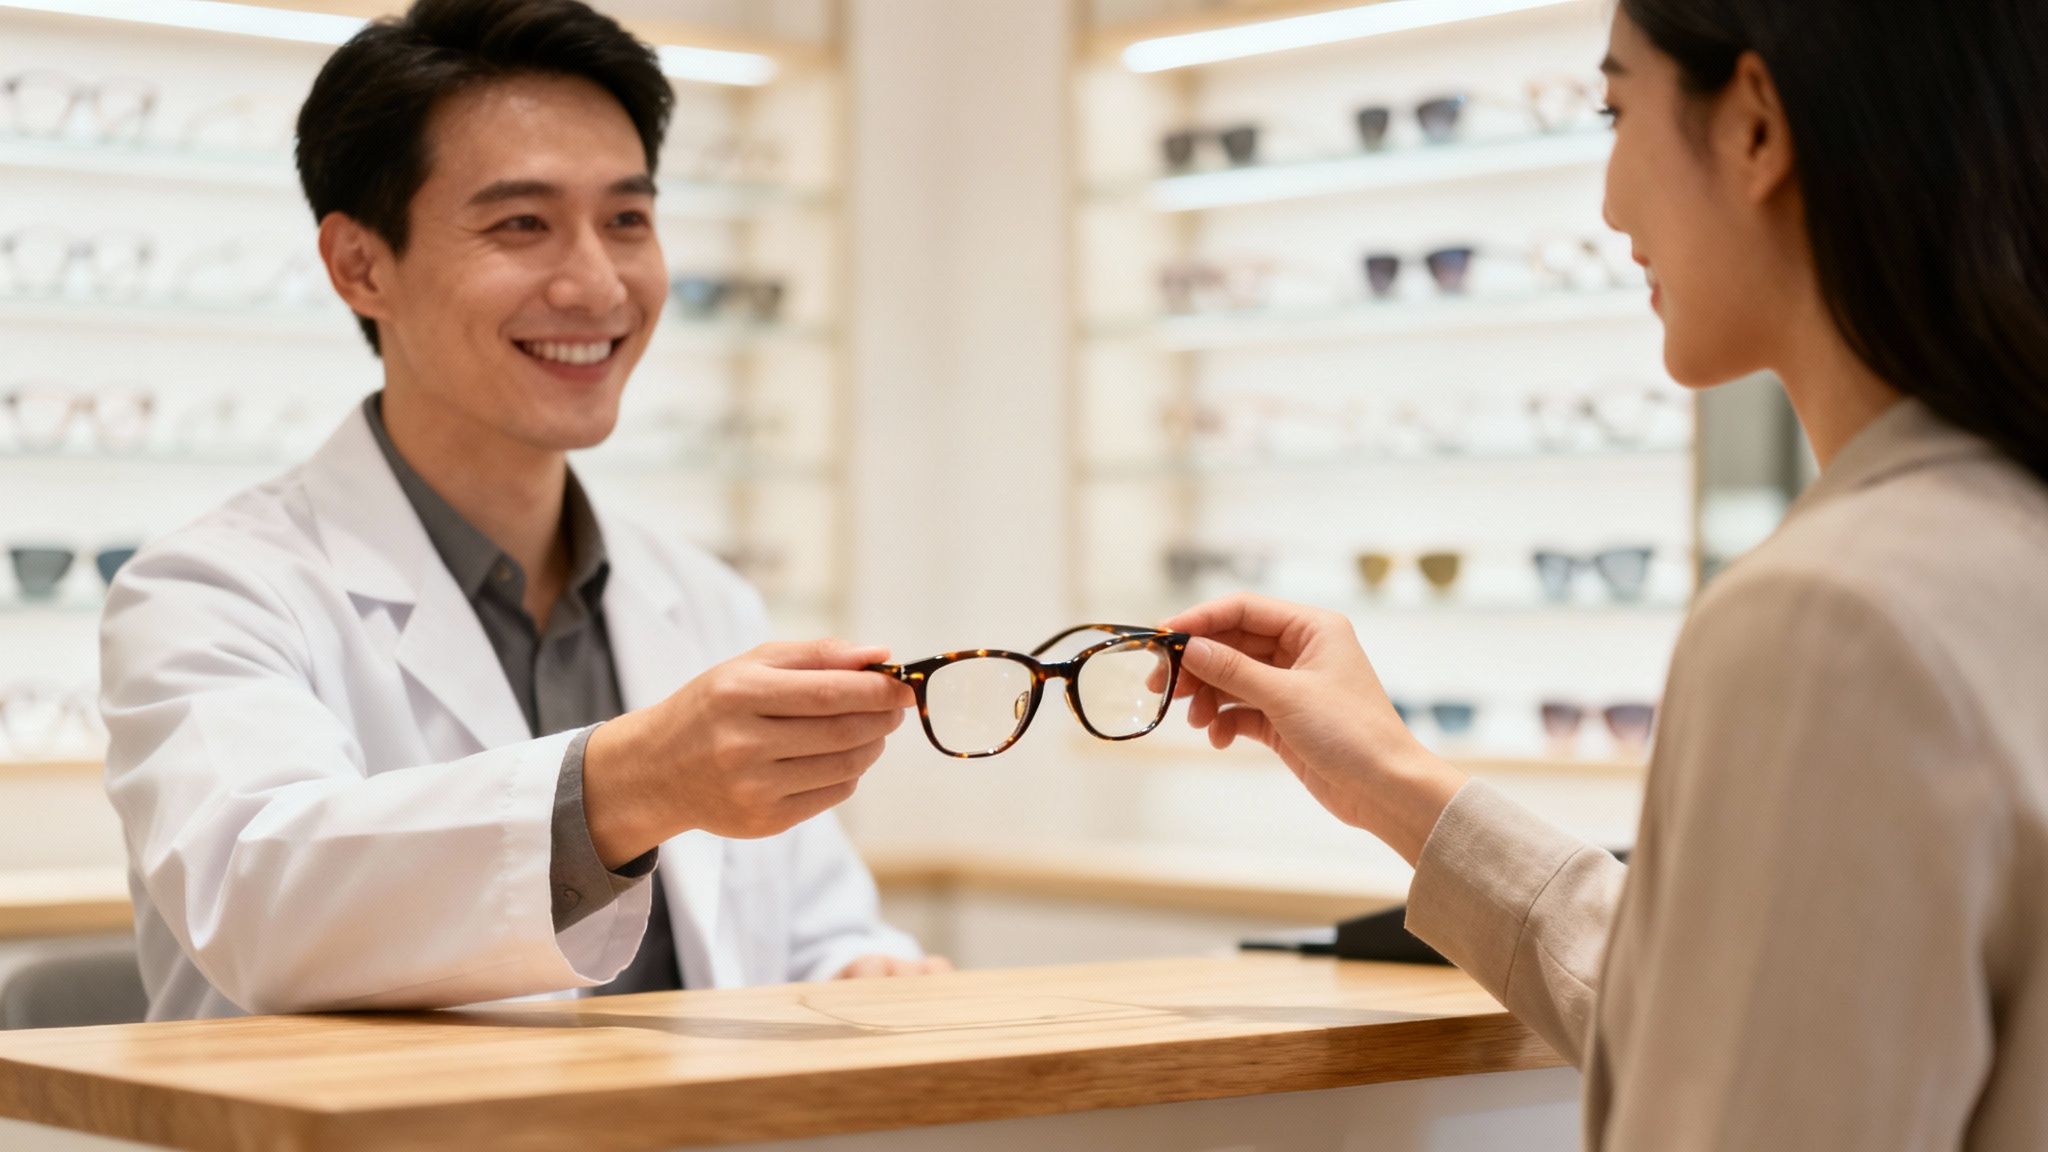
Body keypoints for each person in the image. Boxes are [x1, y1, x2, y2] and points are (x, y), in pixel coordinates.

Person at [1165, 1, 2048, 1147]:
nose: (1606, 199)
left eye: (1614, 108)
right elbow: (1742, 1009)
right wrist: (1390, 779)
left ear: (1753, 130)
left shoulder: (1830, 617)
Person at [99, 0, 944, 1022]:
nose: (596, 284)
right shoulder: (208, 594)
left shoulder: (701, 598)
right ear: (360, 266)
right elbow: (264, 901)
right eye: (521, 224)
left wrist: (863, 975)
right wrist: (634, 782)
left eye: (627, 220)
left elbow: (810, 934)